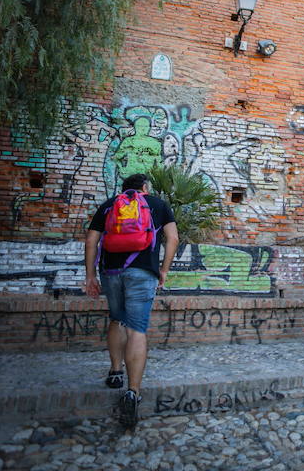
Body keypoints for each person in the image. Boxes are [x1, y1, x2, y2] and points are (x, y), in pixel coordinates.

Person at [83, 173, 179, 428]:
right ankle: (132, 391)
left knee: (116, 319)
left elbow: (91, 240)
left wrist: (90, 275)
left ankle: (115, 373)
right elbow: (173, 239)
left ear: (123, 189)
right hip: (143, 273)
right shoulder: (158, 205)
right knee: (137, 328)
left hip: (111, 272)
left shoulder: (108, 205)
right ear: (145, 187)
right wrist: (164, 269)